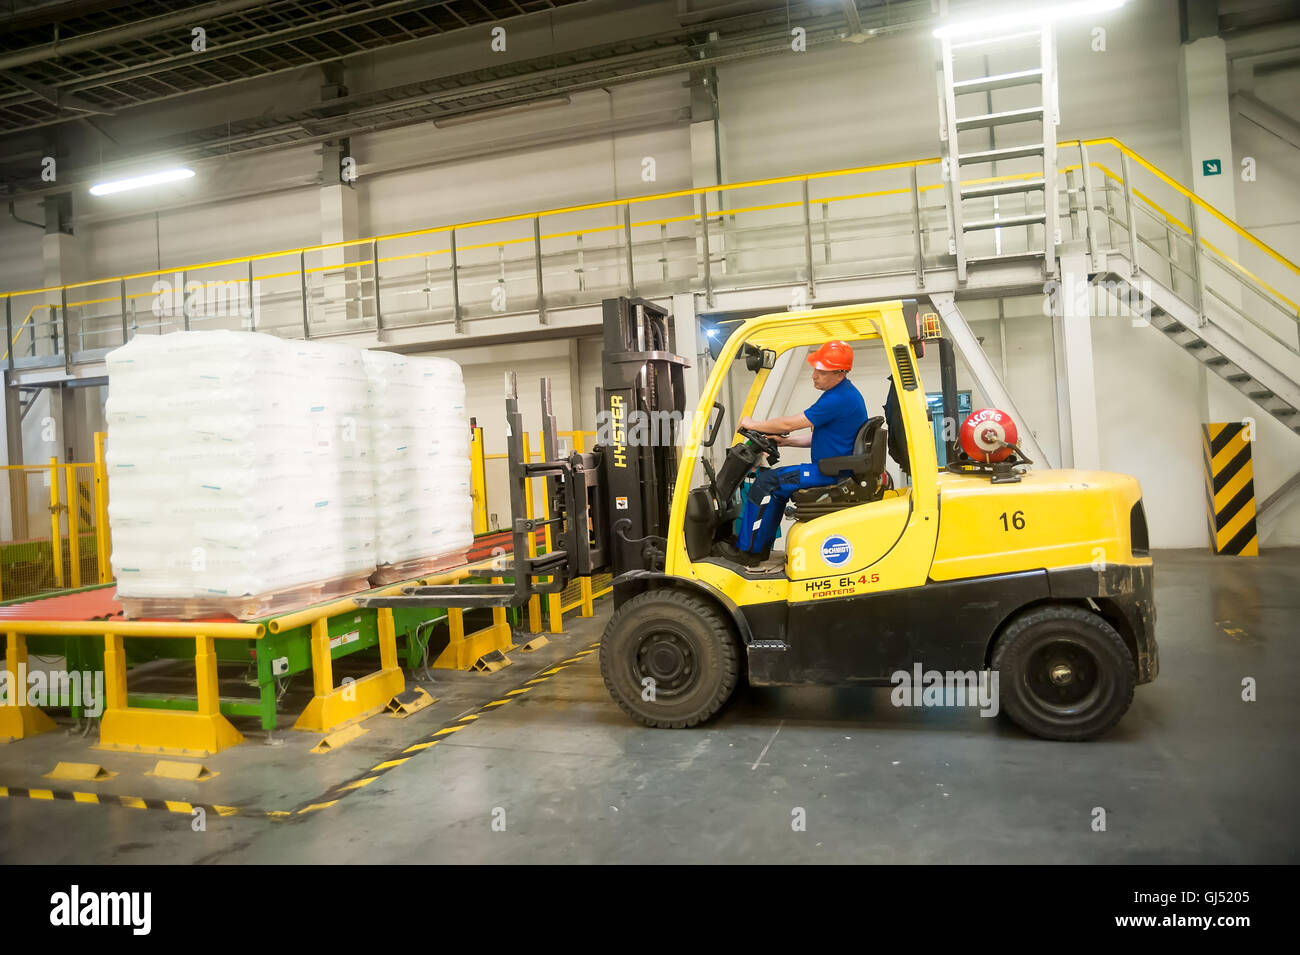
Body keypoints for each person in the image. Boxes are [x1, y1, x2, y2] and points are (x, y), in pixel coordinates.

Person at [714, 340, 868, 566]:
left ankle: (748, 551)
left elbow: (791, 422)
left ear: (840, 373)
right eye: (815, 369)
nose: (815, 375)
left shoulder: (839, 398)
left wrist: (753, 424)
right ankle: (758, 547)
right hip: (832, 467)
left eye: (822, 371)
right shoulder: (841, 393)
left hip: (830, 472)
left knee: (766, 482)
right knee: (775, 486)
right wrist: (784, 442)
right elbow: (822, 438)